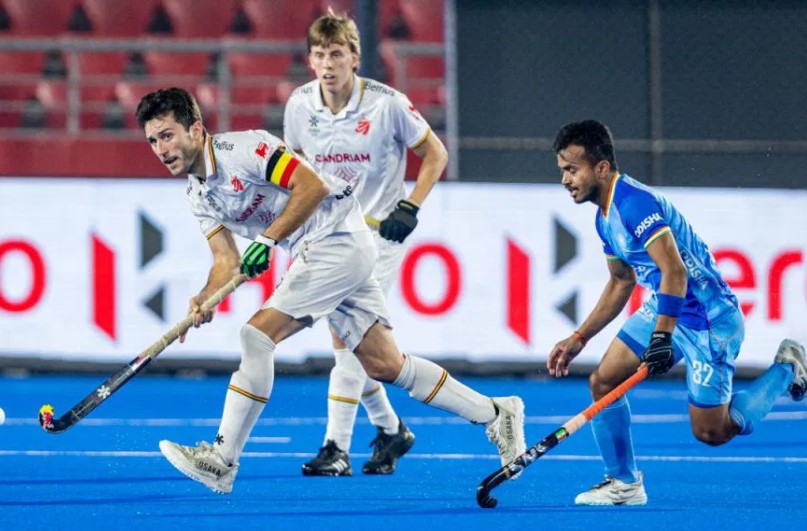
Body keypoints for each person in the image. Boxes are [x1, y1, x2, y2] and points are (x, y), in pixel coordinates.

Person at [136, 87, 526, 494]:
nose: (161, 149)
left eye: (168, 136)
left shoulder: (243, 149)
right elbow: (226, 261)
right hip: (323, 248)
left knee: (256, 335)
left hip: (335, 236)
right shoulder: (197, 194)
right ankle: (496, 413)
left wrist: (267, 239)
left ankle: (222, 459)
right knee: (384, 364)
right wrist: (204, 297)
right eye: (152, 141)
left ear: (196, 130)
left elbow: (311, 186)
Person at [547, 119, 807, 506]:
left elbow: (675, 271)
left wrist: (661, 336)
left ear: (601, 167)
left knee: (712, 431)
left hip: (708, 320)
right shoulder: (604, 217)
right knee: (604, 381)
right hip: (668, 306)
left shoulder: (634, 204)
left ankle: (787, 368)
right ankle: (624, 484)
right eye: (562, 170)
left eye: (572, 169)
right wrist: (579, 337)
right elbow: (621, 281)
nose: (565, 180)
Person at [282, 9, 448, 477]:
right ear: (310, 60)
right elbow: (294, 169)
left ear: (354, 58)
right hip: (329, 235)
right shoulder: (299, 105)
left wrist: (410, 206)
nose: (327, 64)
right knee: (356, 344)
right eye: (319, 55)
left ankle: (336, 446)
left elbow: (435, 153)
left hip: (378, 236)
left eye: (336, 54)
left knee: (346, 340)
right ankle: (392, 431)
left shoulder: (387, 103)